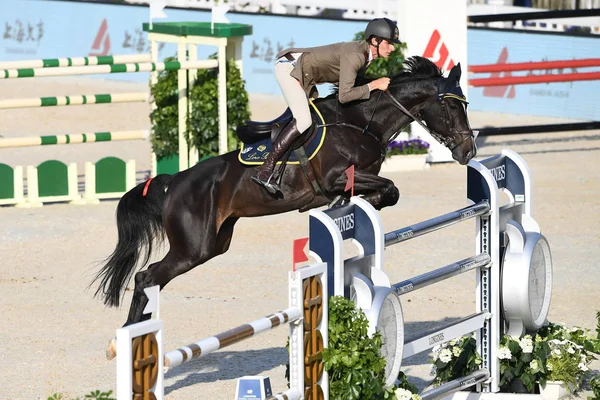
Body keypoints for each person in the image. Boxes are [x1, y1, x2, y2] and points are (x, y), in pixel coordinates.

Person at [251, 17, 402, 193]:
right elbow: (344, 96)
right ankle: (265, 170)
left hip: (306, 74)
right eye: (389, 43)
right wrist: (374, 85)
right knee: (304, 121)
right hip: (289, 68)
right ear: (375, 40)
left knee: (315, 118)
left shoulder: (365, 56)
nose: (392, 48)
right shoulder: (355, 56)